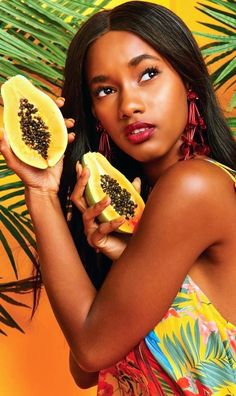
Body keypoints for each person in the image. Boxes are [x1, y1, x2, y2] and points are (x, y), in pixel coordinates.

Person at [1, 1, 236, 394]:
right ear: (95, 113)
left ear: (188, 81)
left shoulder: (195, 186)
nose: (129, 105)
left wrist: (41, 192)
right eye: (106, 90)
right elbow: (85, 371)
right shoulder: (147, 211)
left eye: (148, 74)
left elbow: (91, 349)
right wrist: (120, 250)